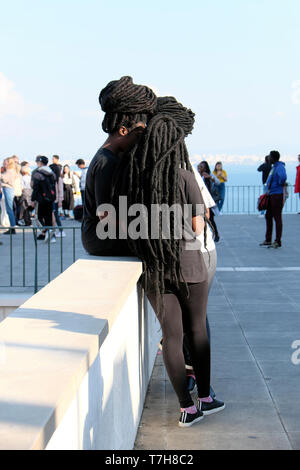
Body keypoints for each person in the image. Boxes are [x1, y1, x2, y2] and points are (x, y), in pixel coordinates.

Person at [111, 108, 225, 427]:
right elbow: (198, 224)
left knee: (171, 337)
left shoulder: (133, 179)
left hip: (153, 270)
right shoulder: (185, 176)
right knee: (197, 330)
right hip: (190, 265)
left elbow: (124, 223)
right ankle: (206, 397)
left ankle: (187, 409)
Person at [81, 76, 156, 256]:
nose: (140, 139)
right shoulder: (107, 162)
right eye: (137, 133)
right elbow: (105, 215)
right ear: (123, 131)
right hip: (100, 239)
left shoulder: (107, 157)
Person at [259, 150, 287, 249]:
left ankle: (277, 241)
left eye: (270, 156)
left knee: (277, 218)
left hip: (277, 195)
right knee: (268, 216)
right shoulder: (274, 167)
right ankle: (268, 239)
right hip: (271, 194)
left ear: (274, 158)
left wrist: (279, 183)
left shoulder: (280, 167)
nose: (268, 158)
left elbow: (283, 177)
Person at [31, 156, 56, 241]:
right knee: (48, 216)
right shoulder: (52, 173)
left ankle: (45, 230)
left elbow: (35, 188)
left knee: (38, 217)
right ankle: (50, 234)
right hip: (50, 197)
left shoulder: (38, 173)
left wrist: (32, 199)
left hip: (40, 198)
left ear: (40, 163)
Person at [198, 161, 220, 242]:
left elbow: (218, 182)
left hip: (208, 201)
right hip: (199, 200)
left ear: (205, 168)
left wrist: (210, 177)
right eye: (199, 166)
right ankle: (204, 235)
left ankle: (216, 234)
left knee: (211, 219)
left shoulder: (209, 175)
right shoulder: (196, 175)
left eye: (202, 166)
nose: (200, 168)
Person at [0, 157, 18, 234]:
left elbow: (5, 179)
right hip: (7, 189)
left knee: (9, 209)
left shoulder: (10, 171)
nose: (4, 164)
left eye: (5, 163)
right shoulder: (10, 171)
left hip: (8, 189)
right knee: (8, 209)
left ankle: (12, 227)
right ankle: (12, 226)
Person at [49, 161, 64, 239]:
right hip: (52, 199)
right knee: (54, 215)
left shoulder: (59, 179)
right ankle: (58, 230)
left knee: (55, 216)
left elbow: (60, 191)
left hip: (56, 200)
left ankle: (60, 231)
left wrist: (60, 201)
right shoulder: (52, 178)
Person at [19, 161, 33, 226]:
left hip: (25, 192)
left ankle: (27, 221)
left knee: (25, 207)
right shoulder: (31, 177)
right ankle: (29, 221)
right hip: (30, 192)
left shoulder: (22, 178)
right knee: (29, 207)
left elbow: (21, 187)